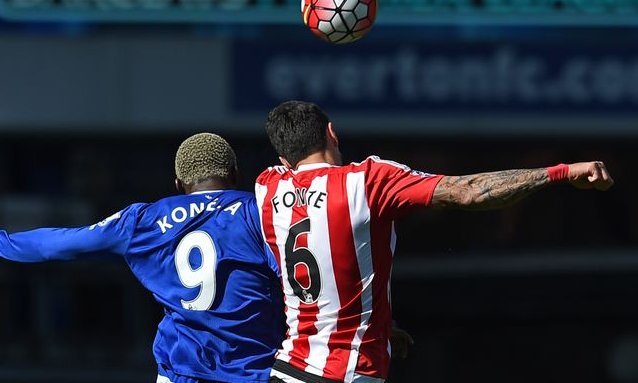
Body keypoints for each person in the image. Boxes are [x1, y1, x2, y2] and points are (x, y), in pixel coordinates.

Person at [257, 101, 614, 383]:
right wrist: (561, 172)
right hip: (343, 372)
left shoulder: (266, 187)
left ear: (283, 160)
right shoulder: (366, 182)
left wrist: (379, 324)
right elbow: (470, 193)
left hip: (287, 368)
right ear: (332, 134)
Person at [0, 133, 284, 383]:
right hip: (252, 370)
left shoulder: (142, 220)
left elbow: (62, 243)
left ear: (179, 183)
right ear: (235, 174)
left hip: (183, 371)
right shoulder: (262, 211)